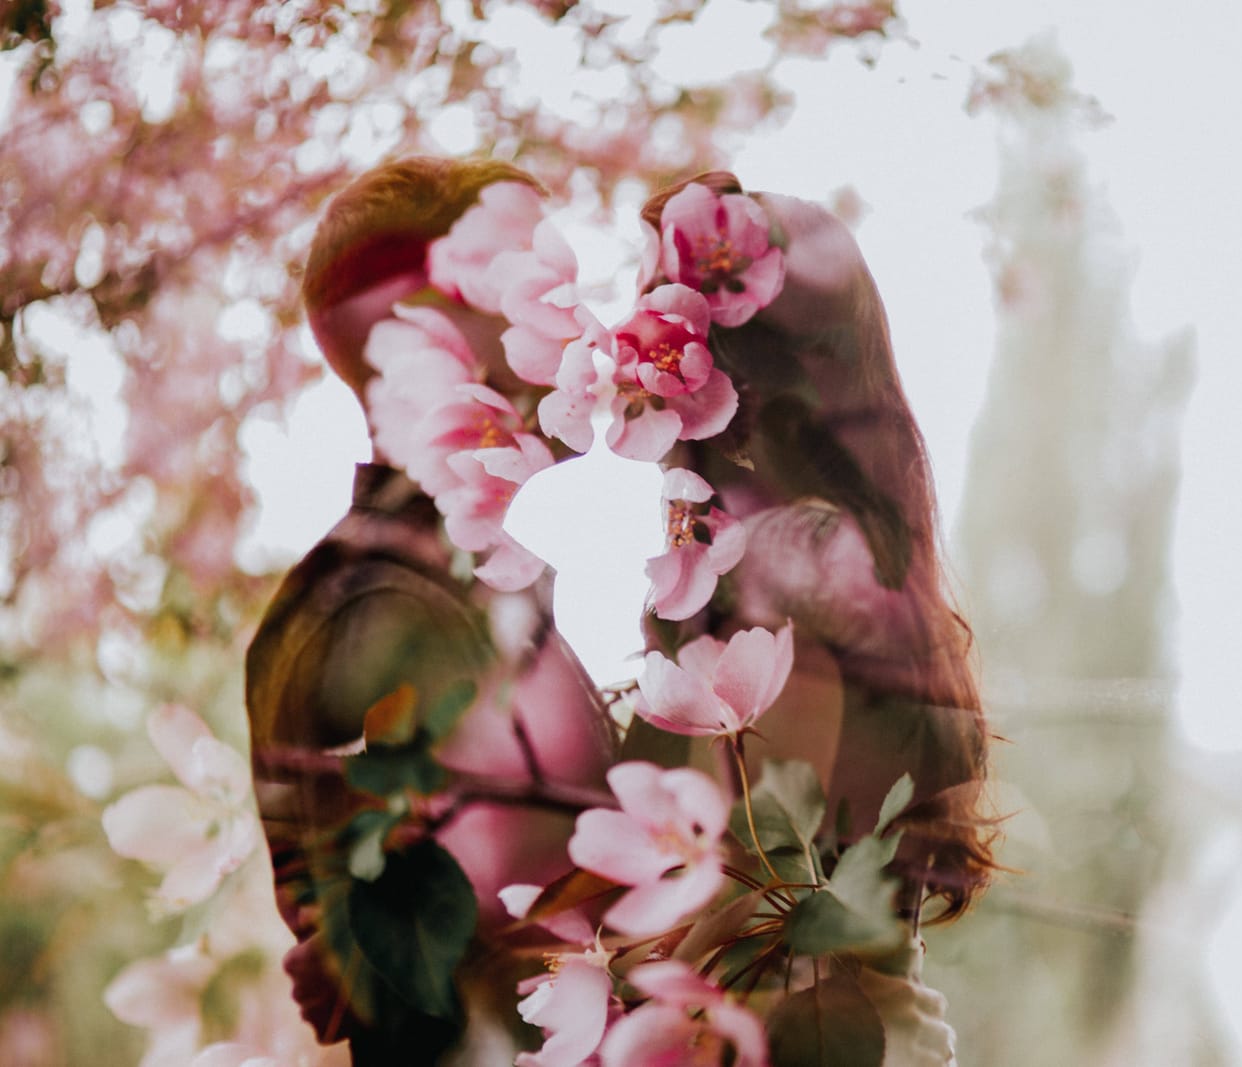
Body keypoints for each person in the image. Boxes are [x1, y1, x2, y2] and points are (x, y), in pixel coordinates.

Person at [245, 157, 616, 1064]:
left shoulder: (471, 579)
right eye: (537, 291)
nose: (581, 329)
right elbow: (453, 956)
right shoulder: (366, 610)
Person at [637, 175, 997, 920]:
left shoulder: (775, 563)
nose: (630, 370)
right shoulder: (848, 552)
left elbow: (755, 901)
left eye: (657, 343)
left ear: (732, 383)